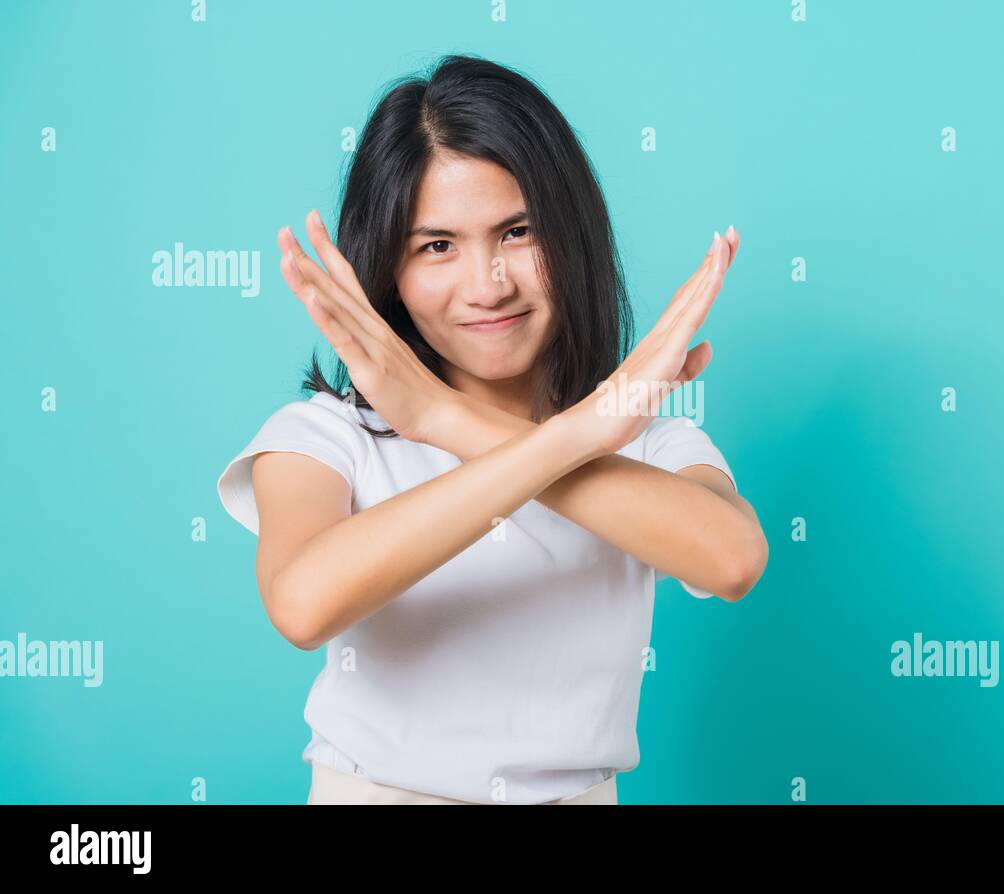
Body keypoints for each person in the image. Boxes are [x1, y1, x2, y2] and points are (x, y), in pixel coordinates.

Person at [216, 54, 767, 805]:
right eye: (436, 245)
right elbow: (302, 605)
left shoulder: (644, 443)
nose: (488, 285)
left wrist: (450, 420)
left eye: (517, 231)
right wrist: (574, 436)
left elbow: (732, 559)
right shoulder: (324, 438)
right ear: (390, 268)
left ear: (572, 235)